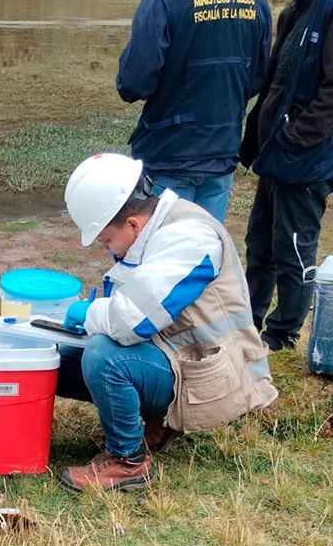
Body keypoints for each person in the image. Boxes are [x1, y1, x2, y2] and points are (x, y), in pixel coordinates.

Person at [53, 153, 278, 493]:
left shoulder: (188, 238)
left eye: (107, 241)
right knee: (59, 358)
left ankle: (128, 462)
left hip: (214, 375)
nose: (107, 250)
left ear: (132, 224)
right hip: (179, 358)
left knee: (103, 356)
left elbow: (132, 322)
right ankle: (156, 424)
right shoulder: (152, 230)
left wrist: (91, 314)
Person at [116, 0, 271, 222]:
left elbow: (133, 83)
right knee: (204, 253)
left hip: (169, 157)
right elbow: (258, 77)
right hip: (222, 154)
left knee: (164, 257)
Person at [239, 0, 333, 352]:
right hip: (279, 151)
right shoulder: (301, 7)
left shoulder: (332, 3)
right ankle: (248, 320)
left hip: (304, 157)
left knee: (294, 247)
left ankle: (282, 333)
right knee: (260, 239)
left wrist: (297, 139)